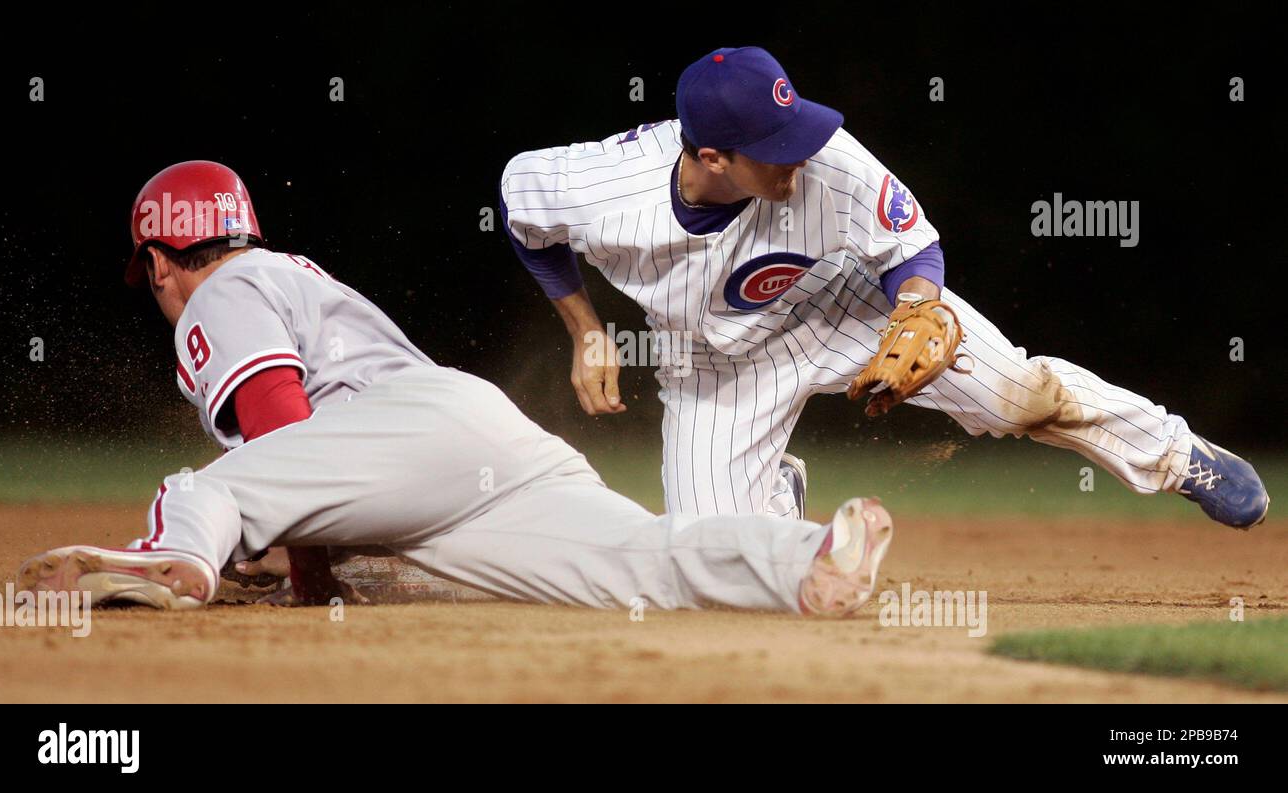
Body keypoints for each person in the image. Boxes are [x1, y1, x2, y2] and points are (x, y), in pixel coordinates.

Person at [16, 160, 893, 618]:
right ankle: (807, 561)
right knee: (638, 560)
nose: (159, 290)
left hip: (405, 436)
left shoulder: (225, 288)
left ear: (164, 258)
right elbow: (317, 455)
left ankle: (175, 558)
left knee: (210, 487)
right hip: (467, 455)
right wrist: (316, 558)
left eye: (154, 272)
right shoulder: (289, 273)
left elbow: (281, 425)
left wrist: (307, 567)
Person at [499, 45, 1269, 528]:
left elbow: (912, 246)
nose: (796, 155)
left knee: (1021, 396)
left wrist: (915, 307)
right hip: (715, 366)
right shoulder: (600, 187)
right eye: (773, 149)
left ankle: (1176, 454)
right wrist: (586, 329)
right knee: (714, 554)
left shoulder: (824, 158)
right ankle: (774, 492)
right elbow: (517, 208)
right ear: (710, 157)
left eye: (795, 129)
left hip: (844, 306)